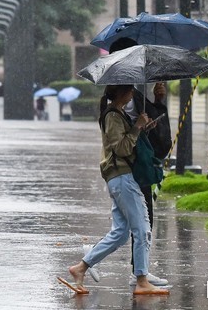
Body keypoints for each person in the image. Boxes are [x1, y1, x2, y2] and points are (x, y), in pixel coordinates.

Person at [65, 85, 169, 295]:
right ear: (122, 93)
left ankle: (81, 268)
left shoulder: (117, 114)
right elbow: (121, 148)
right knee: (142, 228)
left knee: (121, 233)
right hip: (122, 177)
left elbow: (124, 141)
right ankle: (141, 280)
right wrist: (137, 126)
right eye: (130, 91)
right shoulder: (112, 115)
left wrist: (142, 128)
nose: (133, 94)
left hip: (119, 178)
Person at [109, 37, 172, 287]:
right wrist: (137, 127)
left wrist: (158, 101)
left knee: (130, 225)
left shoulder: (133, 91)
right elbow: (119, 137)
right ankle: (140, 274)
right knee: (138, 223)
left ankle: (139, 271)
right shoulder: (115, 96)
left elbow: (151, 122)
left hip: (137, 165)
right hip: (126, 168)